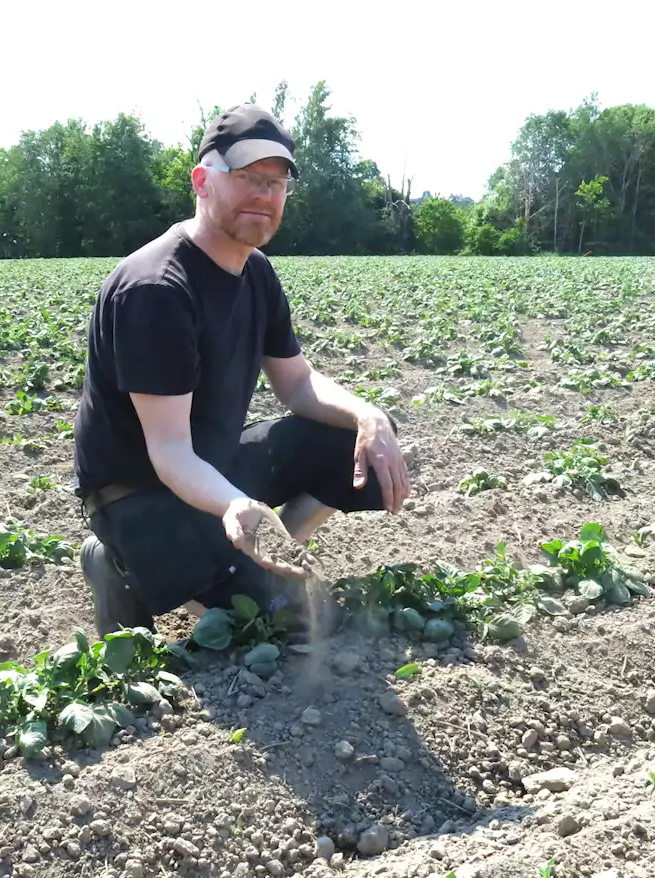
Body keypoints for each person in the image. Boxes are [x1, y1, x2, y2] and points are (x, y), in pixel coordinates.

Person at [72, 102, 409, 636]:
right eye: (248, 177)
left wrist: (369, 416)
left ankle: (263, 563)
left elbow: (296, 383)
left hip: (211, 465)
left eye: (276, 184)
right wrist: (235, 502)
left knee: (355, 444)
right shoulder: (157, 290)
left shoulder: (255, 272)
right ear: (202, 181)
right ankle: (122, 563)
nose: (264, 195)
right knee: (276, 624)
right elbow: (169, 453)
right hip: (142, 493)